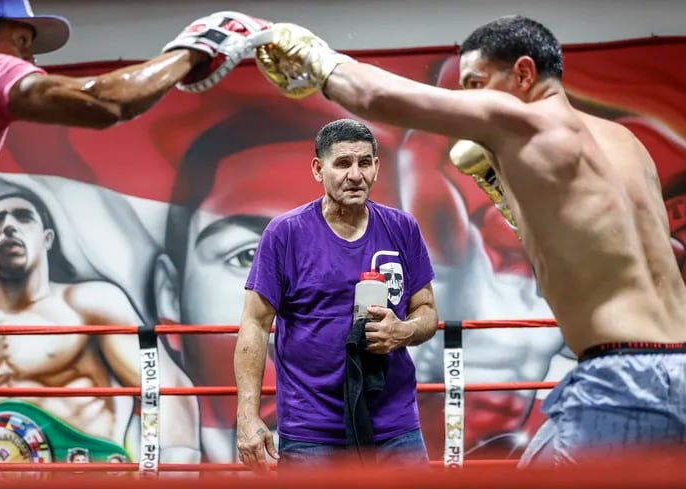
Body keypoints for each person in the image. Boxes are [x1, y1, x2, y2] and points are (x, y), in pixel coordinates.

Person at [254, 16, 686, 465]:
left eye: (476, 83)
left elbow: (372, 95)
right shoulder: (626, 143)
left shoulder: (526, 124)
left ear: (523, 74)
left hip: (621, 376)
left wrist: (306, 53)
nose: (469, 103)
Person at [0, 0, 269, 459]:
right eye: (21, 43)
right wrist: (194, 49)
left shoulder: (92, 304)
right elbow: (105, 100)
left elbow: (162, 390)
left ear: (48, 238)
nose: (29, 64)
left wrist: (171, 461)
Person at [234, 118, 439, 473]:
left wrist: (404, 331)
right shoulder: (285, 234)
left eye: (364, 162)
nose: (355, 175)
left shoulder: (403, 228)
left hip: (393, 424)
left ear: (377, 166)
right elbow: (254, 323)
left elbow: (426, 310)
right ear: (318, 169)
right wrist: (247, 416)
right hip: (312, 428)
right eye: (342, 163)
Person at [0, 190, 200, 464]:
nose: (8, 226)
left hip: (89, 485)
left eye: (23, 217)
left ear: (47, 239)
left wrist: (173, 473)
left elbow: (167, 386)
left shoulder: (91, 304)